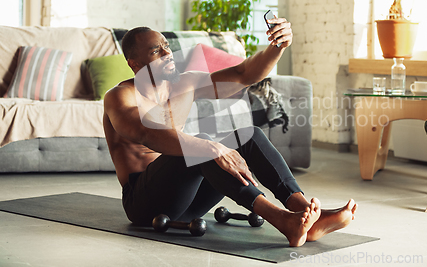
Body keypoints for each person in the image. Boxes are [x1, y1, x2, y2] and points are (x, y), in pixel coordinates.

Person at [103, 18, 357, 247]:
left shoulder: (183, 84)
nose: (167, 53)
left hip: (188, 204)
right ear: (134, 64)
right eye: (155, 51)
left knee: (248, 135)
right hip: (144, 205)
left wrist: (277, 46)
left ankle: (304, 214)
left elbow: (243, 74)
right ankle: (283, 220)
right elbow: (146, 133)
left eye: (166, 45)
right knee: (203, 144)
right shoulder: (119, 96)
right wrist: (212, 147)